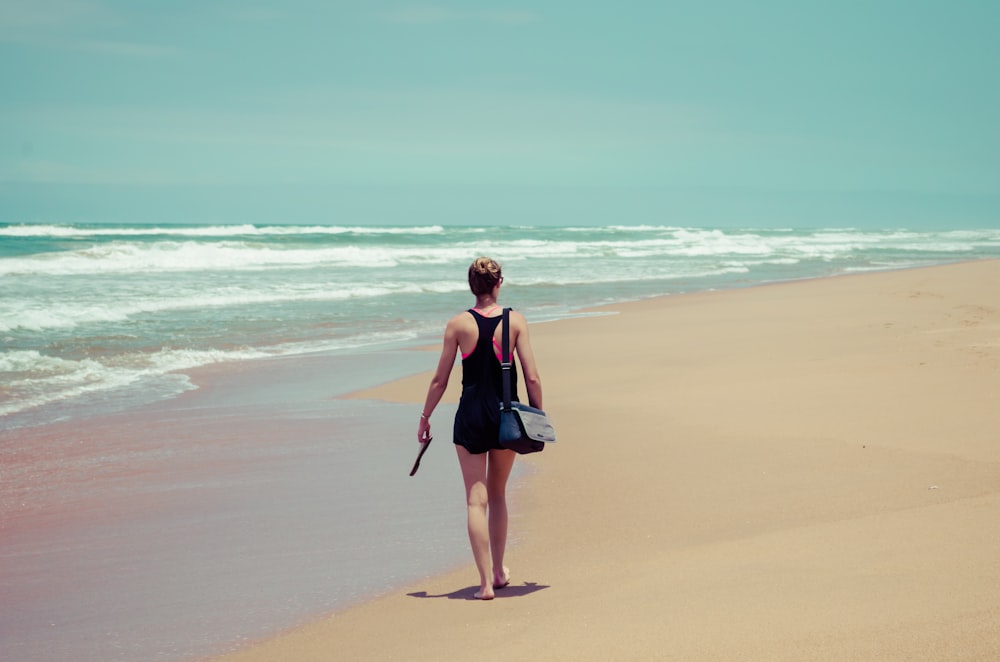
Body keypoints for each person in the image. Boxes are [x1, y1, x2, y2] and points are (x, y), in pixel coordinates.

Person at [417, 257, 544, 600]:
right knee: (498, 495)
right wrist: (538, 417)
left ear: (471, 285)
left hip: (471, 415)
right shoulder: (514, 321)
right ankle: (501, 572)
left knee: (476, 502)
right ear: (498, 283)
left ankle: (486, 582)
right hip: (505, 416)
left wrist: (425, 417)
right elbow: (531, 376)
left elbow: (439, 380)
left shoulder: (458, 324)